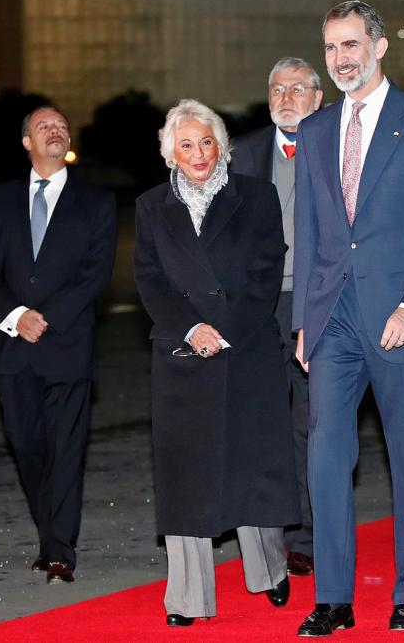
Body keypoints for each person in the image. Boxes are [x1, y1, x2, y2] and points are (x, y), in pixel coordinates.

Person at [292, 0, 404, 636]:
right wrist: (306, 317)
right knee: (327, 456)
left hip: (401, 316)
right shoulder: (314, 131)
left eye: (352, 44)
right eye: (332, 47)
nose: (341, 58)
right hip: (333, 318)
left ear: (380, 47)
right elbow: (310, 233)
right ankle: (332, 598)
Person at [134, 99, 301, 627]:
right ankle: (186, 598)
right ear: (170, 154)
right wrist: (193, 328)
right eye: (186, 144)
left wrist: (224, 330)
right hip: (184, 357)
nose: (198, 152)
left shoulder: (257, 196)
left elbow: (265, 272)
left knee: (253, 465)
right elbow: (150, 279)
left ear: (222, 146)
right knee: (187, 478)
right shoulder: (150, 206)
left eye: (206, 141)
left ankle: (270, 572)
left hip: (246, 348)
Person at [0, 106, 117, 585]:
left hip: (67, 344)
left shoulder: (95, 202)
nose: (54, 131)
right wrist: (17, 316)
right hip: (13, 348)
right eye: (42, 127)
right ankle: (49, 533)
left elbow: (95, 274)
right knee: (27, 444)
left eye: (61, 126)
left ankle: (59, 550)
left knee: (67, 448)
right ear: (26, 142)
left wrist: (48, 318)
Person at [231, 57, 325, 578]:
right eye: (277, 88)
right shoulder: (242, 152)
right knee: (259, 424)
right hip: (257, 308)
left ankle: (308, 535)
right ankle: (269, 534)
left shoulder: (339, 147)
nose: (285, 96)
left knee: (310, 424)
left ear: (317, 97)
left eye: (296, 88)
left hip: (316, 304)